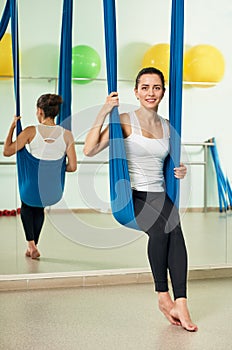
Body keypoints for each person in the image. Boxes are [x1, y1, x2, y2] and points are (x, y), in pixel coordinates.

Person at [83, 67, 197, 332]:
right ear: (136, 92)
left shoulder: (168, 127)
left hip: (159, 193)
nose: (150, 93)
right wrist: (104, 111)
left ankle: (181, 301)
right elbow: (89, 149)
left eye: (156, 88)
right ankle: (162, 296)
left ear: (163, 93)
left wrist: (180, 170)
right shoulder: (123, 120)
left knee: (176, 232)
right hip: (131, 195)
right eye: (144, 87)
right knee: (159, 230)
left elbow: (171, 165)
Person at [3, 93, 77, 259]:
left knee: (27, 207)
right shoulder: (67, 135)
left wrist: (12, 127)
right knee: (39, 209)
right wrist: (54, 170)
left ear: (40, 111)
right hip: (51, 190)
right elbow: (72, 167)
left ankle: (31, 244)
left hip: (32, 187)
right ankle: (33, 246)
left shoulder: (30, 131)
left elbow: (7, 151)